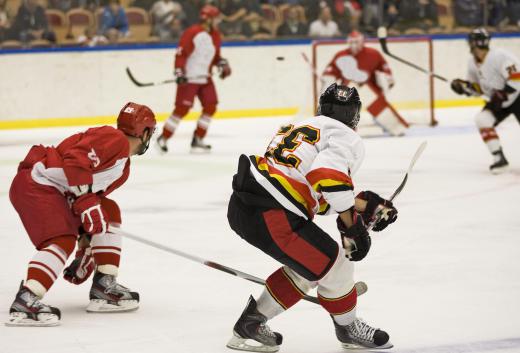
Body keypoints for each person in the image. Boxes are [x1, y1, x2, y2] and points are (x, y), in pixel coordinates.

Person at [226, 83, 397, 351]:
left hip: (246, 207)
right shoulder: (346, 136)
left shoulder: (299, 128)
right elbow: (327, 175)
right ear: (355, 116)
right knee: (336, 264)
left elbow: (314, 193)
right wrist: (352, 226)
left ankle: (251, 325)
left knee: (310, 265)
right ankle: (348, 327)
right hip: (274, 214)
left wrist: (361, 205)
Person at [6, 102, 156, 327]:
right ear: (145, 132)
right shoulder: (113, 138)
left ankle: (104, 284)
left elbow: (88, 206)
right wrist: (86, 203)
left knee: (108, 210)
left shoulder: (122, 168)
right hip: (38, 184)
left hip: (58, 192)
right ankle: (27, 298)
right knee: (61, 240)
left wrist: (85, 248)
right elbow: (76, 161)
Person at [157, 5, 231, 153]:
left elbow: (214, 56)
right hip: (189, 78)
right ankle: (163, 138)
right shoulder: (192, 32)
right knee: (182, 109)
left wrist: (221, 63)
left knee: (211, 106)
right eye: (215, 18)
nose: (217, 21)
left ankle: (198, 138)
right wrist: (179, 71)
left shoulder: (216, 35)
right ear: (208, 19)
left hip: (205, 78)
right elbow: (181, 53)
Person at [451, 28, 520, 174]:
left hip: (517, 97)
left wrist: (502, 94)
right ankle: (499, 158)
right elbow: (477, 89)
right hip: (499, 102)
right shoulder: (472, 63)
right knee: (482, 119)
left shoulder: (500, 56)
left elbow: (517, 78)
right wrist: (464, 88)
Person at [322, 30, 409, 136]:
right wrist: (327, 78)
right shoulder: (341, 55)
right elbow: (331, 70)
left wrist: (388, 77)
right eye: (351, 42)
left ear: (362, 41)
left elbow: (384, 67)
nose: (354, 45)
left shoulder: (373, 54)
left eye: (356, 42)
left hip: (369, 88)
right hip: (348, 90)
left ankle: (395, 127)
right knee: (342, 113)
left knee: (380, 109)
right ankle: (338, 132)